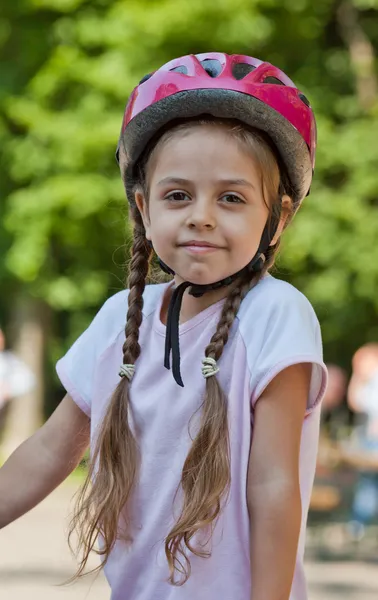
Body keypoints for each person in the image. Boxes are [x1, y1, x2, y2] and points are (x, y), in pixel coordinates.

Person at [0, 53, 327, 600]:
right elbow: (49, 451)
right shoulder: (116, 323)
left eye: (231, 197)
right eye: (178, 195)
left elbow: (273, 487)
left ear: (279, 218)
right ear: (143, 208)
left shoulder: (276, 314)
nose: (201, 215)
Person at [347, 343, 378, 539]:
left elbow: (355, 402)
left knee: (367, 484)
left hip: (373, 441)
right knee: (367, 484)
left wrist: (357, 376)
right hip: (370, 440)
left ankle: (357, 525)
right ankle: (358, 524)